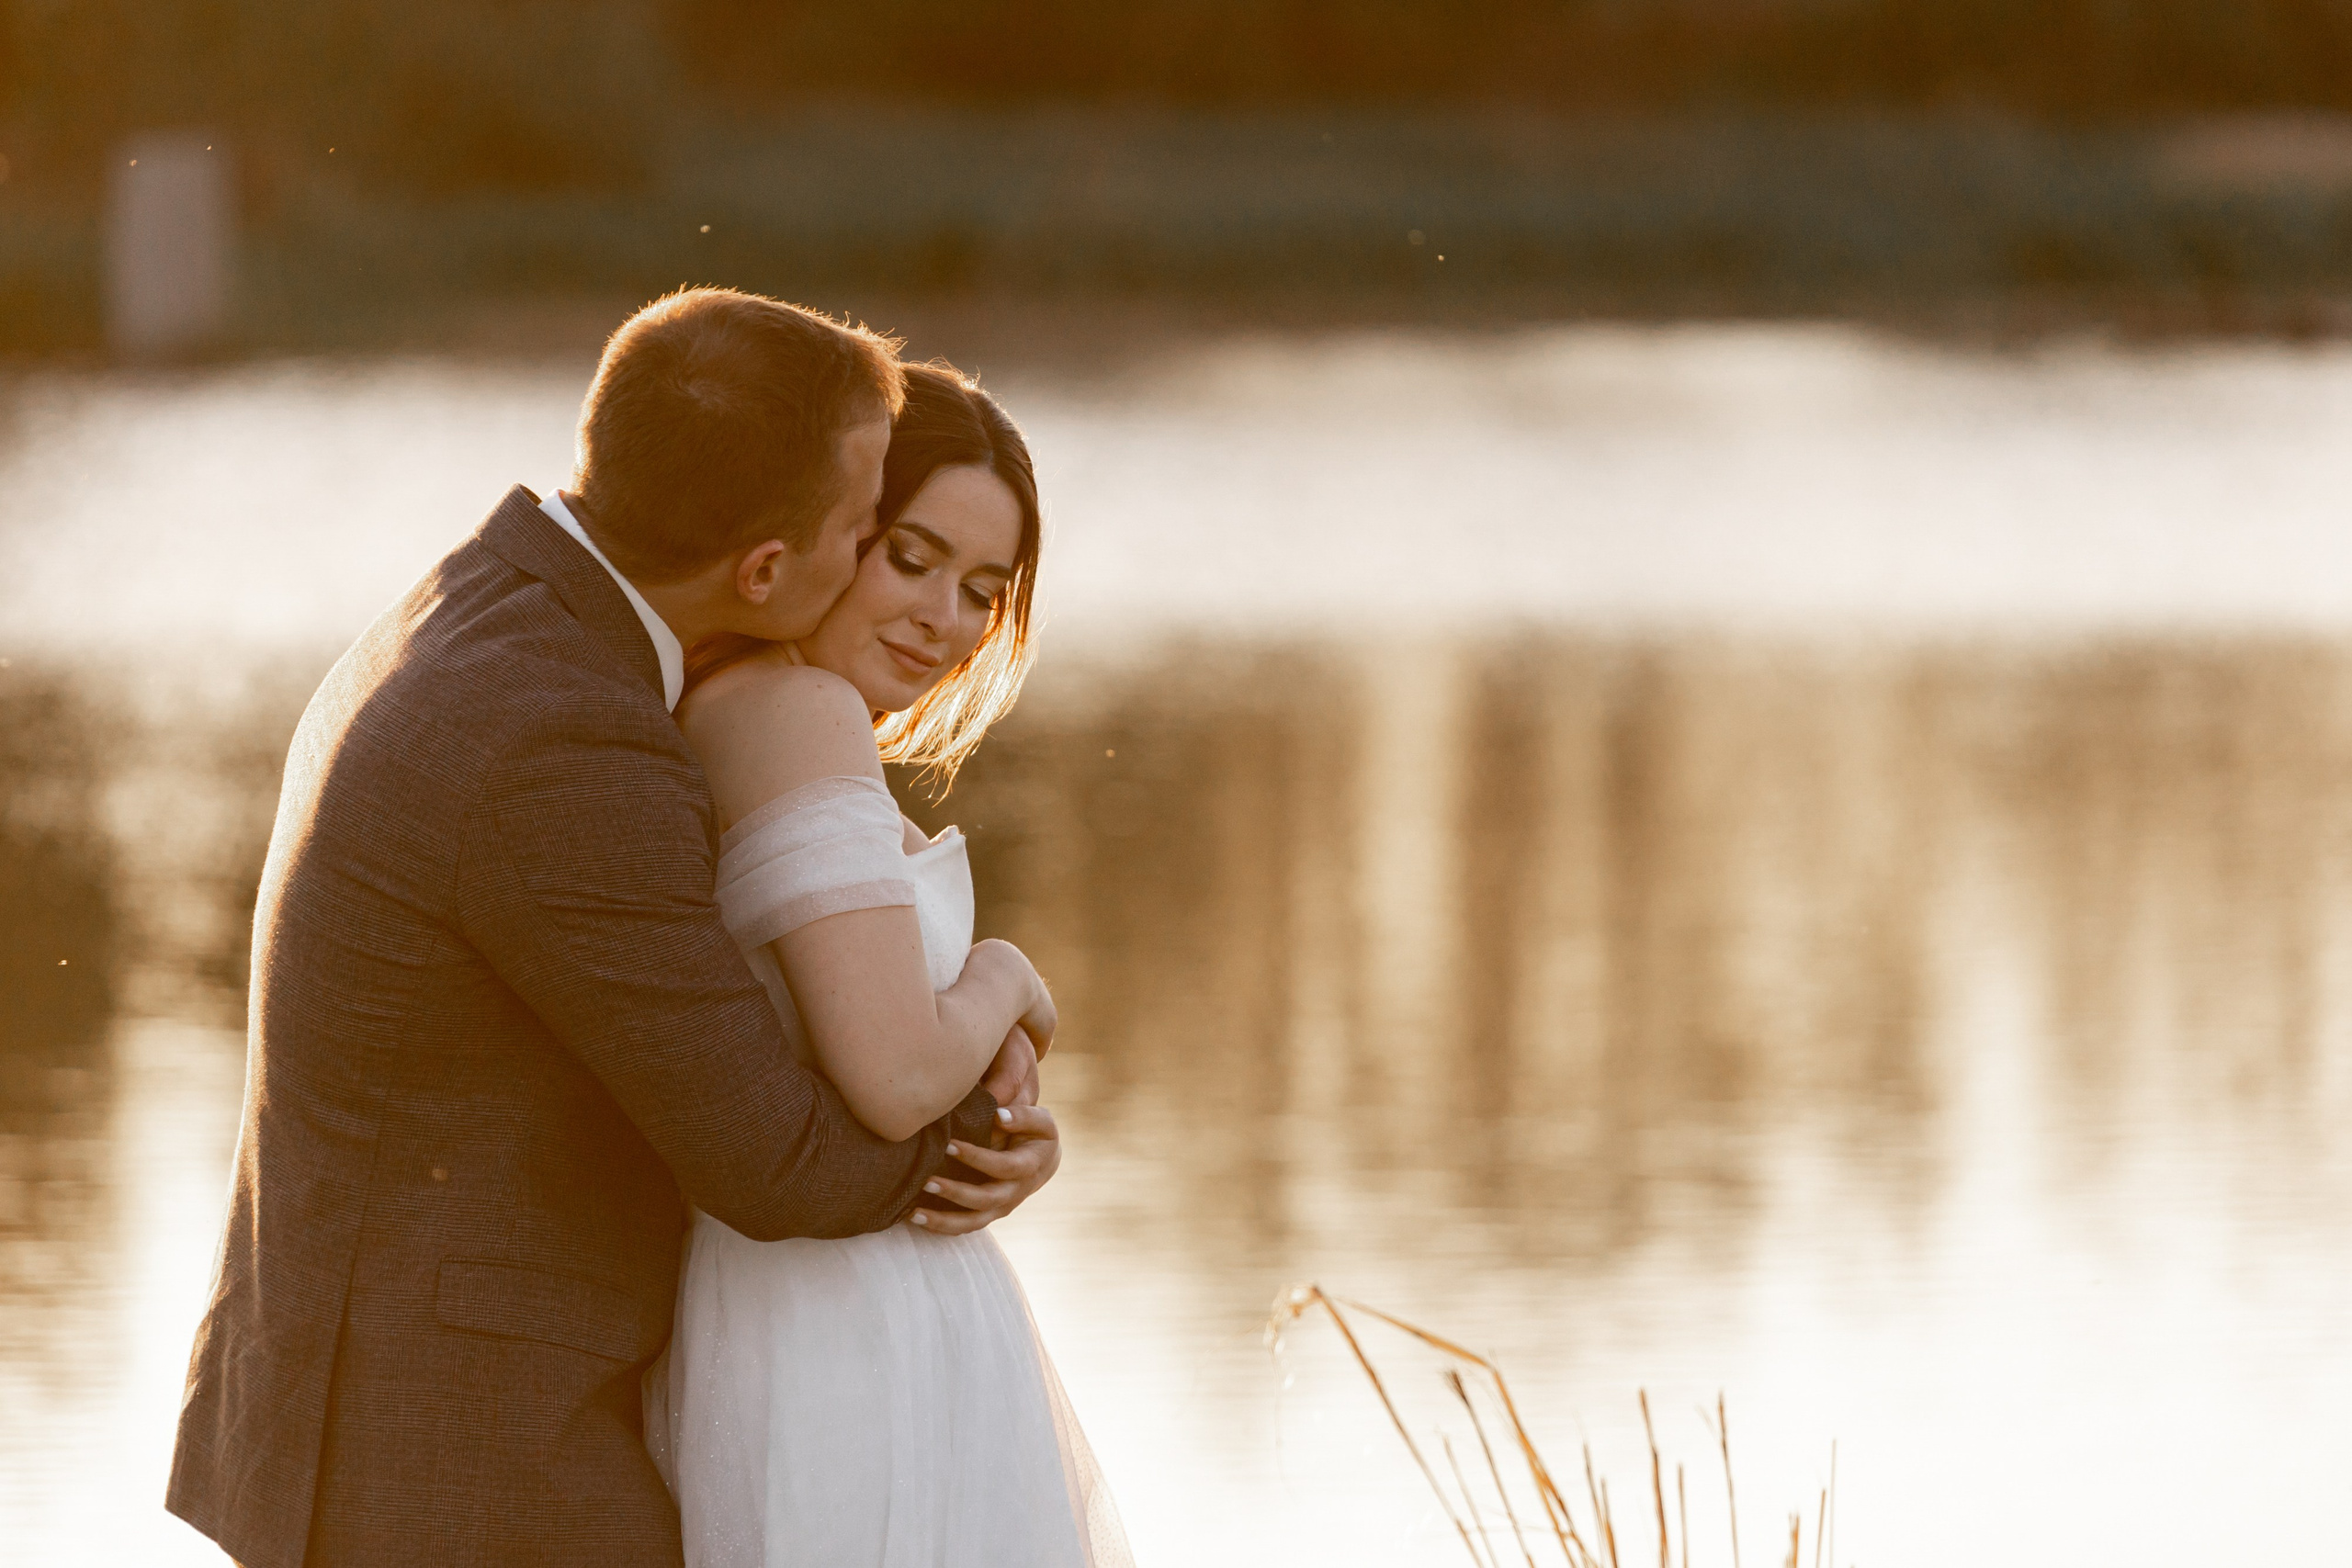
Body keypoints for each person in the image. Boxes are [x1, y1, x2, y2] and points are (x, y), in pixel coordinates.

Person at [166, 288, 1059, 1568]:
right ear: (771, 567)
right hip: (462, 1450)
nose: (929, 606)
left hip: (416, 1390)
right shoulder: (564, 735)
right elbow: (782, 1162)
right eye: (875, 533)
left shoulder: (488, 609)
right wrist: (987, 1104)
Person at [649, 361, 1129, 1566]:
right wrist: (1008, 976)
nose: (945, 621)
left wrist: (1005, 1136)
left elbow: (877, 1065)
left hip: (870, 1303)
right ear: (829, 528)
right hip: (831, 1327)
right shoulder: (789, 716)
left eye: (981, 589)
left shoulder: (779, 718)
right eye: (910, 557)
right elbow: (895, 1075)